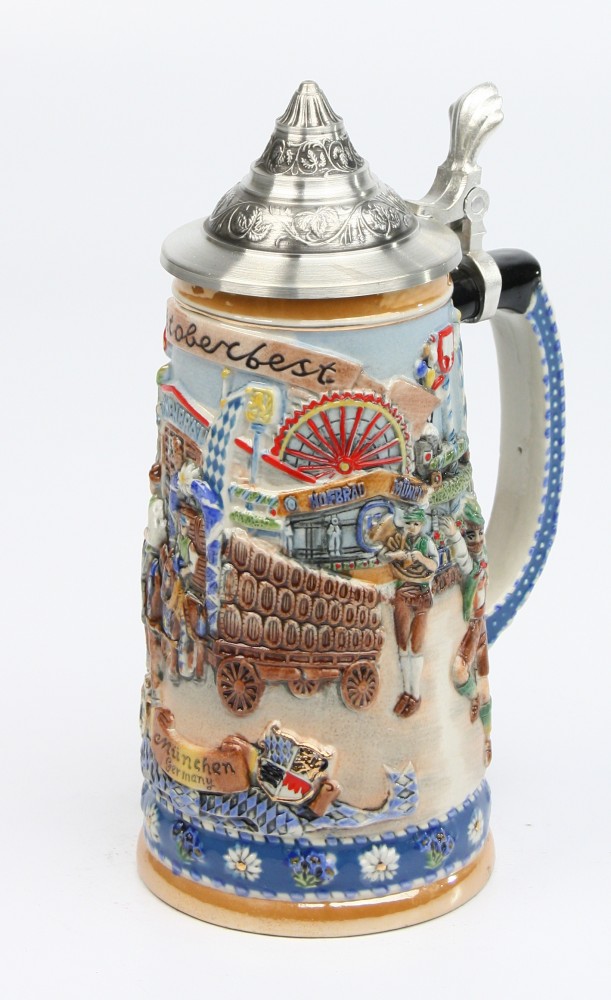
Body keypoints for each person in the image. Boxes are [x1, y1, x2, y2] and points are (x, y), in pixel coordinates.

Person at [371, 506, 439, 717]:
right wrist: (395, 555)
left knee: (416, 645)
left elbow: (434, 565)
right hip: (402, 595)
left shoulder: (426, 543)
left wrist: (420, 558)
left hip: (421, 596)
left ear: (421, 525)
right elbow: (381, 556)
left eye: (416, 524)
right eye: (409, 523)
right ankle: (407, 692)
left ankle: (415, 693)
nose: (412, 527)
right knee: (402, 644)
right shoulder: (399, 540)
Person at [439, 501, 492, 765]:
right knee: (472, 676)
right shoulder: (474, 563)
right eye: (471, 535)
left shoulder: (481, 561)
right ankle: (475, 700)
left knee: (469, 675)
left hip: (477, 626)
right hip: (474, 626)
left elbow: (468, 563)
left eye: (480, 533)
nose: (478, 540)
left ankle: (485, 740)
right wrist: (455, 537)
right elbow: (463, 559)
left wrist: (456, 536)